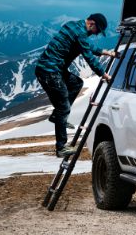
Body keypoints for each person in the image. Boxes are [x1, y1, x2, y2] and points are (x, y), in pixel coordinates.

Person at [35, 13, 115, 158]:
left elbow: (87, 45)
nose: (96, 34)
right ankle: (61, 148)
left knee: (76, 83)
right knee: (63, 107)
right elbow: (88, 56)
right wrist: (104, 75)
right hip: (50, 71)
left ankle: (57, 117)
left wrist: (106, 53)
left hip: (51, 69)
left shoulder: (73, 26)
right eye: (97, 30)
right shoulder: (80, 33)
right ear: (91, 23)